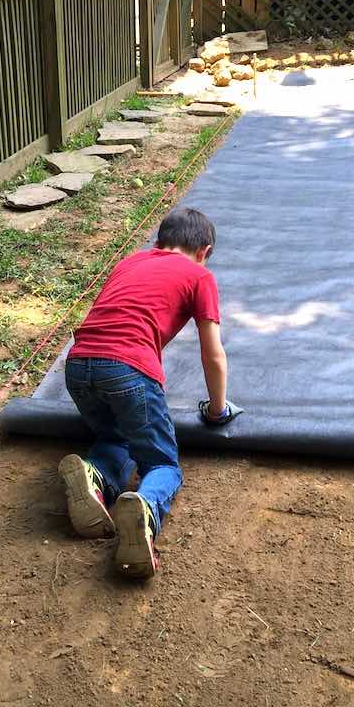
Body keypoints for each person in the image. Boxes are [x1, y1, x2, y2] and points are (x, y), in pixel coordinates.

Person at [59, 208, 234, 579]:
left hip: (77, 365)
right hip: (129, 370)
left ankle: (95, 476)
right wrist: (217, 410)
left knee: (115, 435)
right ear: (203, 251)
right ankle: (146, 507)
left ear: (158, 242)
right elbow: (212, 354)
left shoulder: (129, 263)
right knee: (162, 464)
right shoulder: (199, 275)